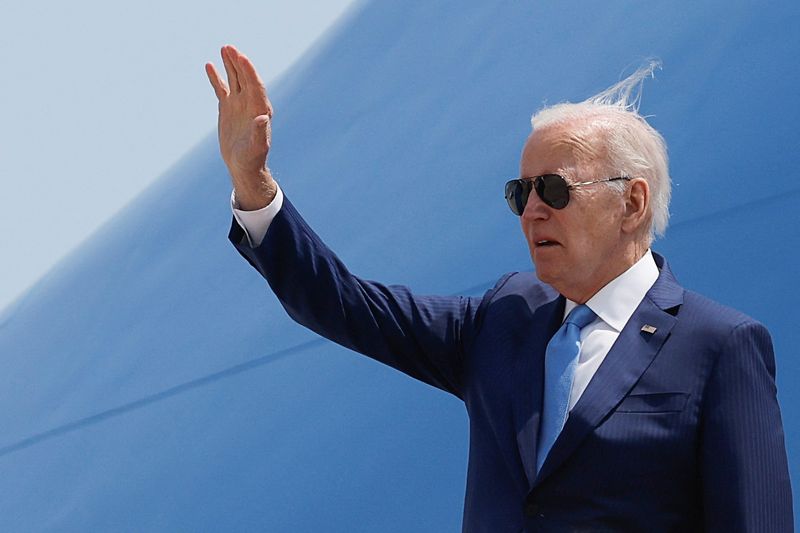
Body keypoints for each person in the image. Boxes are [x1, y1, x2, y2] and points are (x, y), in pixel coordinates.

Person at [206, 45, 793, 531]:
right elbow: (345, 304)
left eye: (555, 191)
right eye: (522, 193)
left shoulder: (718, 345)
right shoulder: (503, 318)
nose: (532, 211)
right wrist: (252, 182)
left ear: (632, 202)